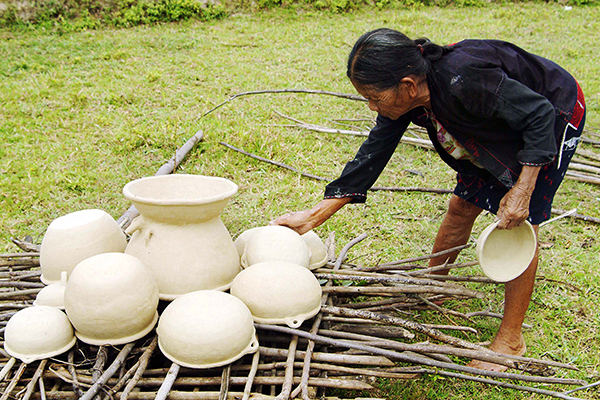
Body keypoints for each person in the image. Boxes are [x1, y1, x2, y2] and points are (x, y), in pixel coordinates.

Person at [272, 28, 586, 372]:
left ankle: (511, 340)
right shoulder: (411, 96)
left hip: (550, 113)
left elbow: (537, 114)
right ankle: (435, 288)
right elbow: (373, 152)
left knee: (518, 225)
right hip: (487, 122)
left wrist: (522, 191)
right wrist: (313, 217)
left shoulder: (462, 79)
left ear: (408, 85)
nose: (372, 106)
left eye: (374, 97)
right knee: (461, 205)